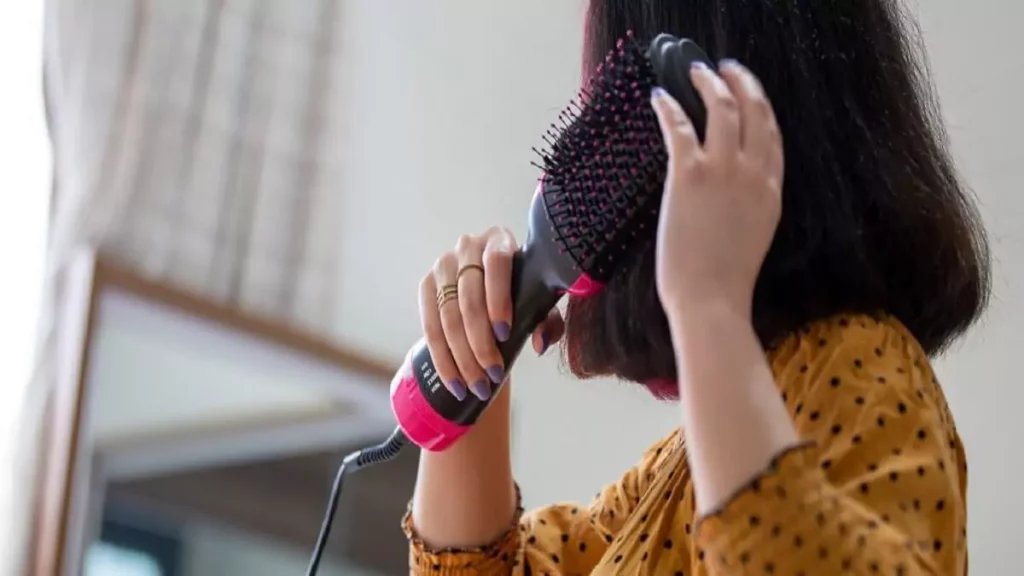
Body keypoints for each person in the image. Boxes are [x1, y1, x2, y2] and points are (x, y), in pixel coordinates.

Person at [403, 1, 989, 574]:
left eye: (610, 105)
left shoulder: (863, 367)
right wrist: (474, 362)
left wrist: (708, 306)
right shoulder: (673, 474)